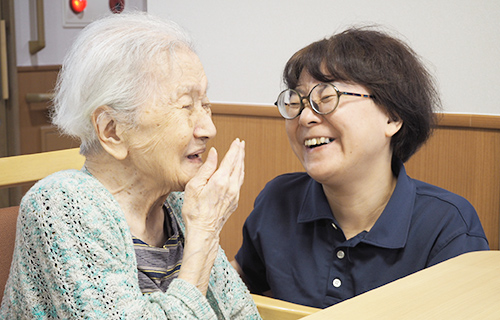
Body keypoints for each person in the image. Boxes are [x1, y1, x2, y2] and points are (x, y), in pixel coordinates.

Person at [0, 12, 261, 319]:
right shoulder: (61, 207)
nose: (208, 129)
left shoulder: (178, 205)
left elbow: (241, 314)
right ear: (112, 130)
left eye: (205, 104)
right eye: (186, 106)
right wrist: (203, 234)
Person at [232, 27, 489, 309]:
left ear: (392, 116)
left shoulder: (448, 225)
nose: (305, 117)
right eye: (296, 102)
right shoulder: (278, 199)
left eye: (326, 98)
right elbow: (237, 289)